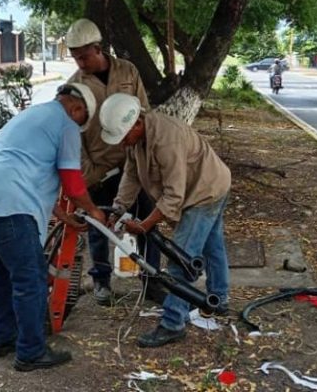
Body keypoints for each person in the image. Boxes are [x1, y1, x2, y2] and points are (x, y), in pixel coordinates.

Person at [0, 83, 106, 372]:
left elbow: (29, 170)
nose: (79, 125)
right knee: (31, 279)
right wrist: (93, 210)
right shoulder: (66, 126)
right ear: (77, 109)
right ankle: (30, 352)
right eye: (81, 119)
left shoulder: (34, 114)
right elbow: (73, 182)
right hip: (9, 204)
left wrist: (63, 215)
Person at [99, 93, 231, 348]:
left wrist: (145, 225)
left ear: (137, 123)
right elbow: (131, 174)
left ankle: (173, 323)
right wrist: (118, 208)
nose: (123, 143)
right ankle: (219, 298)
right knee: (212, 246)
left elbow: (174, 195)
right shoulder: (136, 139)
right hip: (209, 183)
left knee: (180, 259)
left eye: (124, 136)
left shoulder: (166, 139)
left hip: (205, 192)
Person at [65, 18, 165, 306]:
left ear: (98, 48)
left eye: (84, 55)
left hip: (132, 163)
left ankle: (152, 282)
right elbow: (73, 135)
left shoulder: (128, 71)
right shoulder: (74, 86)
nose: (80, 62)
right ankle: (101, 281)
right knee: (98, 226)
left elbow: (144, 114)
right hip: (98, 168)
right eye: (74, 57)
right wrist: (86, 173)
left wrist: (147, 156)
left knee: (148, 223)